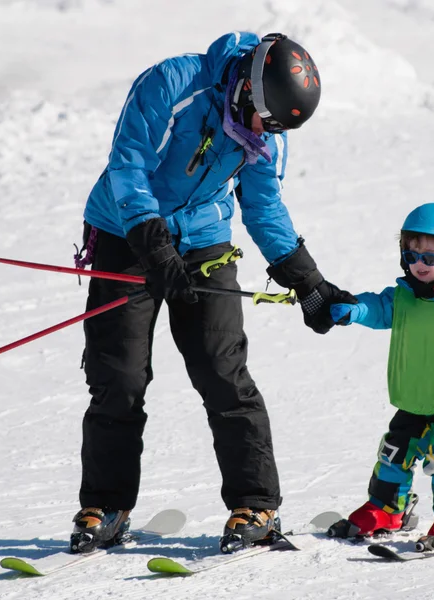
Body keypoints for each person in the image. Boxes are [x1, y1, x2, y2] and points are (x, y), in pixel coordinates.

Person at [70, 31, 355, 555]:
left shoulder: (266, 131)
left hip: (204, 240)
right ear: (245, 88)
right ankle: (106, 505)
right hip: (126, 232)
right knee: (119, 374)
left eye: (274, 129)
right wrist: (153, 245)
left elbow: (264, 205)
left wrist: (305, 277)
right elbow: (127, 166)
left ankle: (256, 504)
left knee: (222, 371)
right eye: (262, 121)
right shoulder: (173, 84)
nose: (263, 135)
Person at [326, 203, 434, 548]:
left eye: (429, 258)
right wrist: (353, 309)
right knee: (393, 452)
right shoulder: (404, 297)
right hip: (414, 399)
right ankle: (387, 508)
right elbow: (376, 307)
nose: (418, 265)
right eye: (411, 255)